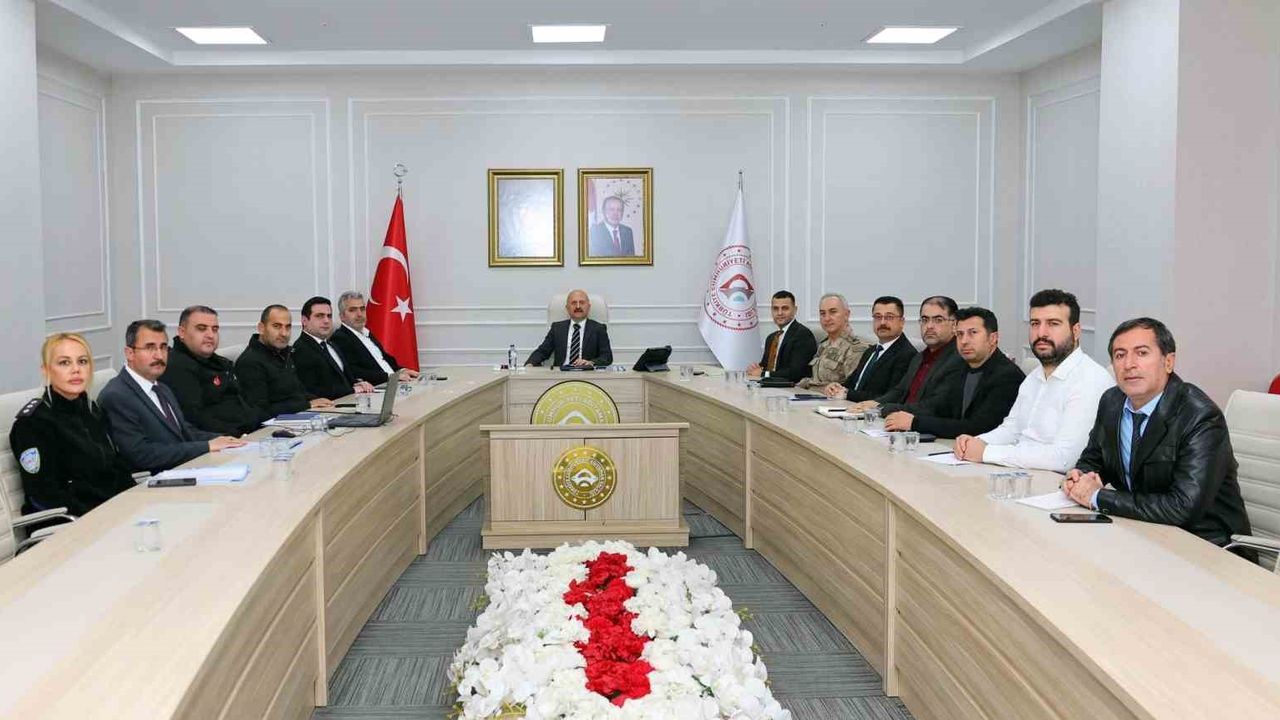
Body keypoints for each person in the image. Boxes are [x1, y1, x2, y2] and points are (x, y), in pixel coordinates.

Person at [1064, 318, 1252, 554]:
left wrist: (1097, 497)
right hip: (1141, 533)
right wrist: (1080, 477)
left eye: (1142, 353)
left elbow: (1182, 507)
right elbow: (1094, 458)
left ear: (1168, 362)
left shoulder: (1200, 416)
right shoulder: (1112, 401)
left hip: (1207, 545)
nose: (1129, 364)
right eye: (1120, 355)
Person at [954, 289, 1113, 471]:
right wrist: (974, 442)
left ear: (1075, 331)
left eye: (1053, 324)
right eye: (1035, 323)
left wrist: (986, 452)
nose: (1041, 333)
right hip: (1020, 472)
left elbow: (1065, 459)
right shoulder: (1034, 377)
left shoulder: (1090, 380)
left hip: (1057, 481)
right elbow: (1012, 430)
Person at [9, 333, 136, 518]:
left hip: (111, 512)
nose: (76, 370)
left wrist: (137, 501)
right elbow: (45, 494)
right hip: (69, 522)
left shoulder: (92, 411)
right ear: (46, 370)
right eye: (64, 363)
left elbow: (117, 468)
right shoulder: (33, 423)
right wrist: (104, 516)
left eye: (82, 362)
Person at [98, 320, 245, 474]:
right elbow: (141, 454)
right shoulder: (117, 395)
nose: (159, 355)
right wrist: (206, 446)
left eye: (163, 347)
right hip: (152, 479)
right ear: (130, 353)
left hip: (185, 468)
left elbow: (185, 432)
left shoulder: (161, 387)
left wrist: (226, 439)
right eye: (150, 348)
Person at [884, 307, 1022, 438]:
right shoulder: (960, 367)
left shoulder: (1007, 376)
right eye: (960, 334)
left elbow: (979, 427)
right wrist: (895, 411)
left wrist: (915, 423)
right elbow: (938, 407)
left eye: (973, 333)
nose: (964, 341)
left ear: (993, 338)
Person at [850, 295, 964, 416]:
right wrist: (875, 403)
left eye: (938, 320)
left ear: (954, 325)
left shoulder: (958, 359)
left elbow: (934, 406)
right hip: (902, 420)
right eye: (925, 319)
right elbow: (899, 391)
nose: (929, 326)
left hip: (924, 424)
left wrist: (882, 408)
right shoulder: (919, 358)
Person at [160, 305, 265, 436]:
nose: (210, 335)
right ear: (182, 332)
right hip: (222, 441)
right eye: (201, 328)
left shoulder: (221, 363)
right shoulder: (176, 367)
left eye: (214, 329)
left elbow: (243, 404)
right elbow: (195, 421)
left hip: (251, 433)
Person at [236, 305, 335, 417]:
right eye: (277, 326)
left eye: (288, 327)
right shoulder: (250, 362)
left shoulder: (285, 353)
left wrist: (317, 400)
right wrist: (306, 404)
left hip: (298, 417)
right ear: (261, 328)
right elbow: (260, 411)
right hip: (273, 425)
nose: (284, 333)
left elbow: (298, 392)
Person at [823, 296, 917, 402]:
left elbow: (891, 398)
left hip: (874, 411)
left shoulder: (907, 355)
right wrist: (835, 387)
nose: (882, 322)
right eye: (878, 317)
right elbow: (851, 384)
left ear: (902, 322)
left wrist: (847, 394)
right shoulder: (871, 351)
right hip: (850, 407)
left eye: (889, 317)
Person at [292, 296, 375, 400]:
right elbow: (314, 390)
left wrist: (359, 383)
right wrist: (352, 390)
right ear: (304, 320)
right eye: (319, 316)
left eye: (329, 316)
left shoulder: (331, 344)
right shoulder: (301, 349)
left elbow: (342, 377)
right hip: (329, 407)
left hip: (351, 401)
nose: (326, 321)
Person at [329, 290, 419, 386]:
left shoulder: (367, 333)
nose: (359, 314)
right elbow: (354, 371)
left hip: (394, 383)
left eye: (362, 309)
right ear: (342, 316)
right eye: (352, 310)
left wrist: (402, 370)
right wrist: (391, 377)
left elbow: (385, 360)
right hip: (376, 388)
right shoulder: (340, 338)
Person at [794, 293, 871, 390]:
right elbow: (816, 379)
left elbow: (851, 388)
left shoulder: (856, 349)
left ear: (846, 315)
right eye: (823, 313)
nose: (827, 318)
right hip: (811, 396)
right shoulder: (824, 345)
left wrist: (811, 386)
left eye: (833, 312)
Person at [525, 289, 613, 368]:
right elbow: (542, 351)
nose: (578, 306)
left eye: (582, 303)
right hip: (561, 374)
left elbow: (607, 357)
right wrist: (530, 364)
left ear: (588, 307)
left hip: (587, 374)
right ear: (567, 308)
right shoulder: (557, 328)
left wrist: (591, 362)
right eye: (574, 303)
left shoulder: (598, 329)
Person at [746, 291, 817, 383]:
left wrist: (763, 374)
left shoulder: (803, 335)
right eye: (775, 309)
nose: (779, 313)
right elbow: (765, 366)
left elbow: (795, 373)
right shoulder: (771, 338)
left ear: (795, 310)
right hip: (769, 385)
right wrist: (755, 369)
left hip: (792, 387)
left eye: (785, 308)